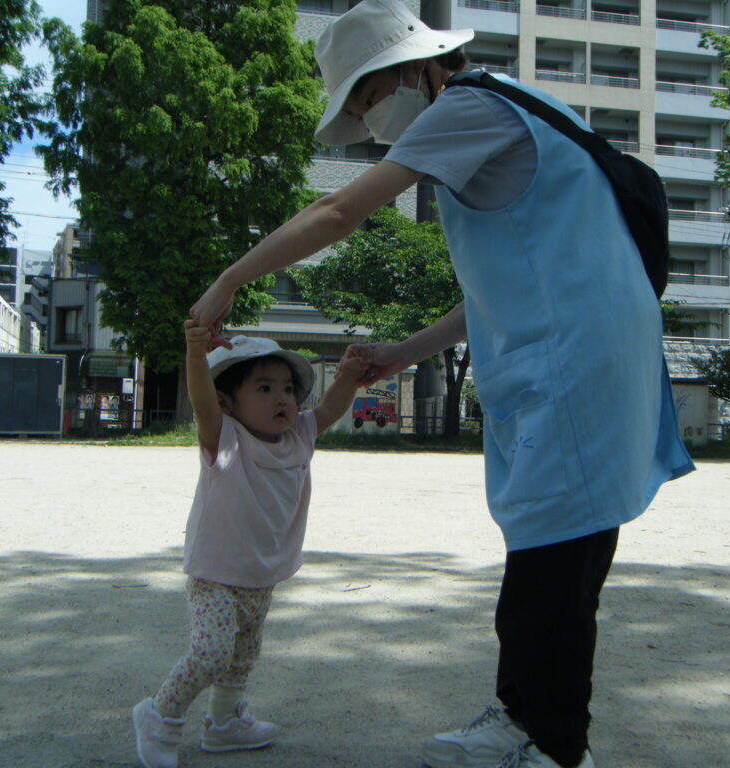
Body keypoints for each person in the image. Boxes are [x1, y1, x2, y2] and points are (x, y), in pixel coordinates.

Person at [189, 1, 695, 766]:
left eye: (365, 97)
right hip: (584, 348)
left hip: (570, 357)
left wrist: (229, 279)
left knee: (552, 554)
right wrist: (407, 350)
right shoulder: (513, 108)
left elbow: (337, 211)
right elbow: (502, 284)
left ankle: (554, 745)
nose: (369, 119)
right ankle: (523, 716)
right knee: (556, 546)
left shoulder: (470, 106)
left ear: (412, 67)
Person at [130, 323, 368, 768]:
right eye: (263, 388)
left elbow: (331, 408)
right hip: (215, 572)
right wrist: (196, 353)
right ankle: (159, 716)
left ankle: (224, 725)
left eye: (287, 388)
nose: (281, 398)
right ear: (226, 401)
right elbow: (201, 399)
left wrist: (349, 376)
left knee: (243, 654)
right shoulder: (224, 438)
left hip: (263, 573)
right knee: (212, 650)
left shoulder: (299, 435)